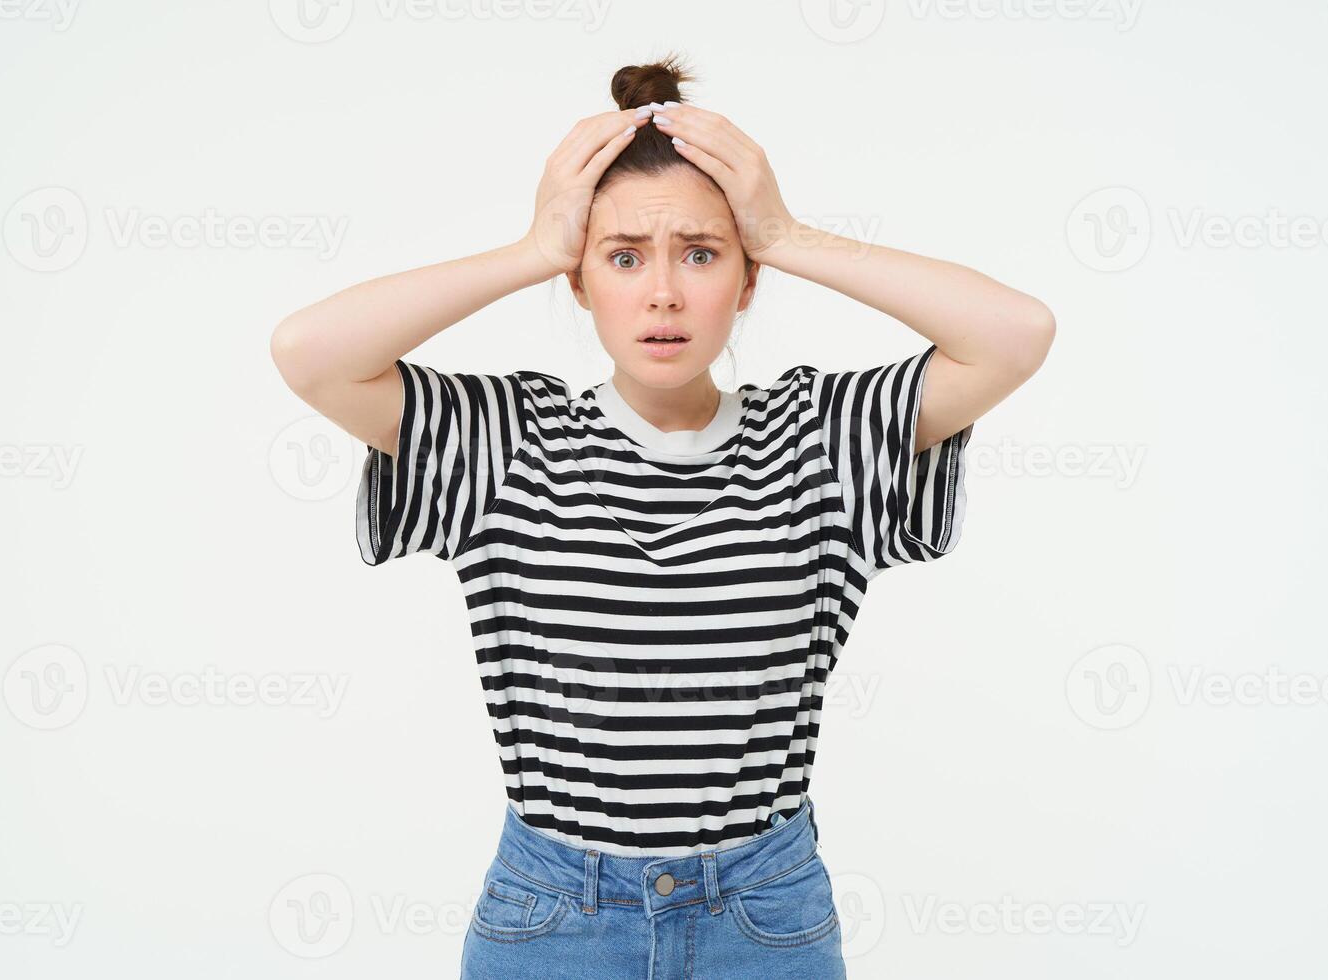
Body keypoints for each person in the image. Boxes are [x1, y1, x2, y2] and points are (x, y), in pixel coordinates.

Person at [271, 53, 1053, 980]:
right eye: (624, 257)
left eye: (704, 252)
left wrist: (788, 232)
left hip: (762, 914)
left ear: (747, 278)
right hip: (554, 916)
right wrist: (529, 249)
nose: (665, 293)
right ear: (580, 278)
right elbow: (309, 352)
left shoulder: (822, 437)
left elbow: (1016, 333)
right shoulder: (504, 438)